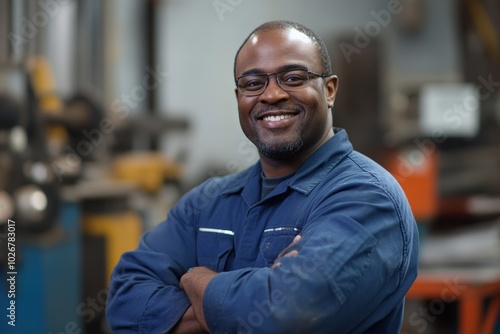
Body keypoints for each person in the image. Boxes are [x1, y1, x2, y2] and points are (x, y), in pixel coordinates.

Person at [106, 20, 419, 333]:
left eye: (293, 78)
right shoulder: (206, 203)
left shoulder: (367, 198)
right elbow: (124, 300)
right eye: (253, 84)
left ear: (330, 90)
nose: (272, 95)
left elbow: (288, 315)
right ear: (239, 96)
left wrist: (198, 282)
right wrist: (229, 307)